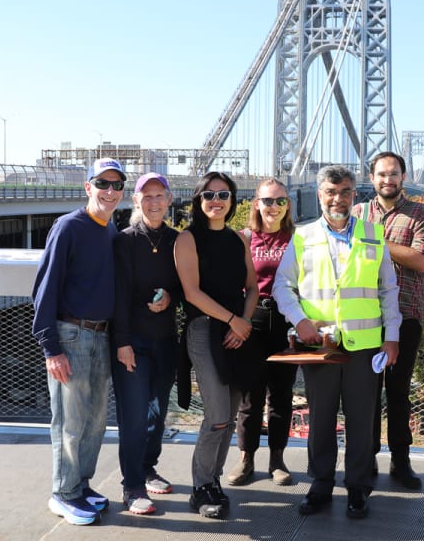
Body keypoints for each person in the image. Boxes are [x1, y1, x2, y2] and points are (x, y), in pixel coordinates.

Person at [273, 165, 401, 520]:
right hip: (320, 346)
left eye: (345, 192)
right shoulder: (301, 237)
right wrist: (299, 321)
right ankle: (321, 484)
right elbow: (282, 286)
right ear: (319, 195)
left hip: (364, 345)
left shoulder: (374, 235)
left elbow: (388, 290)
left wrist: (392, 338)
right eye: (331, 192)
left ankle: (358, 488)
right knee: (322, 419)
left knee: (362, 421)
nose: (338, 199)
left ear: (354, 196)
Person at [31, 157, 126, 526]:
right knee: (70, 421)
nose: (110, 191)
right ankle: (63, 493)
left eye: (117, 185)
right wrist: (51, 348)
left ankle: (81, 485)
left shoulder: (109, 229)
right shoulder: (68, 226)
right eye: (102, 183)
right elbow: (45, 287)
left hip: (102, 335)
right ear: (88, 187)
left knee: (96, 420)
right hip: (70, 334)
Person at [173, 171, 258, 519]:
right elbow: (192, 293)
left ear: (232, 200)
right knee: (218, 416)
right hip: (205, 330)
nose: (216, 201)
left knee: (234, 407)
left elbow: (252, 287)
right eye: (209, 195)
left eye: (223, 195)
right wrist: (231, 320)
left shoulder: (239, 240)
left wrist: (244, 323)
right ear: (198, 200)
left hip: (237, 332)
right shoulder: (187, 240)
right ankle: (200, 487)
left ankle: (214, 482)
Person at [352, 151, 424, 489]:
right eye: (381, 174)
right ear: (372, 178)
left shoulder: (420, 213)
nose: (388, 180)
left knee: (399, 391)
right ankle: (367, 458)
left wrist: (372, 243)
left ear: (403, 177)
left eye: (394, 174)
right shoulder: (358, 212)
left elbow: (420, 261)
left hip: (405, 315)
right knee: (367, 392)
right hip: (363, 315)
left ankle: (401, 462)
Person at [111, 172, 182, 515]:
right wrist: (122, 342)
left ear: (170, 200)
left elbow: (187, 286)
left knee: (157, 412)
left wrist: (171, 297)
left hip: (165, 339)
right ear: (136, 201)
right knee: (134, 415)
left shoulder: (178, 240)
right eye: (147, 196)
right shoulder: (125, 241)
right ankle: (133, 485)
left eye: (160, 195)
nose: (154, 202)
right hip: (133, 341)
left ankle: (148, 467)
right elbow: (119, 295)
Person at [227, 178, 298, 487]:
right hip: (252, 320)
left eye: (281, 201)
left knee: (281, 395)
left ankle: (277, 459)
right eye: (268, 201)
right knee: (250, 396)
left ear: (288, 205)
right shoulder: (243, 238)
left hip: (286, 322)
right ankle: (246, 458)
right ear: (256, 203)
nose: (274, 207)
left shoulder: (298, 238)